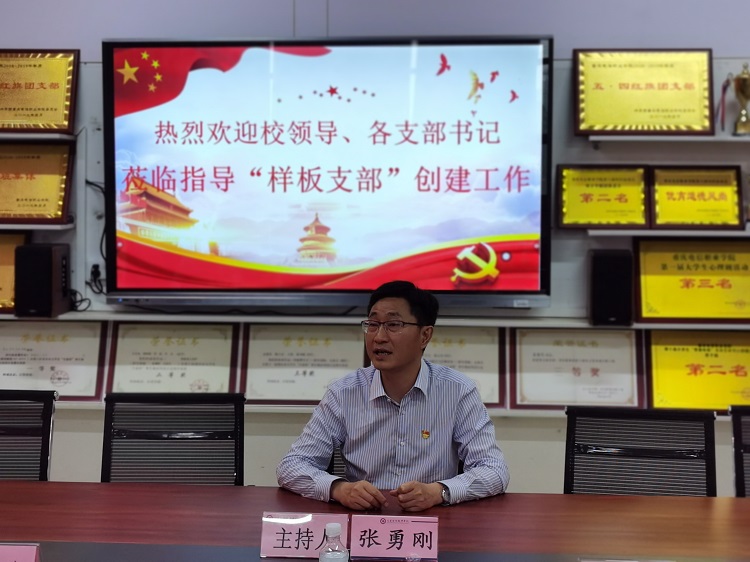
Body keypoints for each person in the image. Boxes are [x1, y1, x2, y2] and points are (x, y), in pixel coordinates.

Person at [276, 280, 509, 512]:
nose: (379, 337)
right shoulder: (344, 392)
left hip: (433, 522)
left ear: (425, 336)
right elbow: (292, 466)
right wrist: (339, 489)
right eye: (373, 324)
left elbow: (494, 470)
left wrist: (438, 492)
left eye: (393, 324)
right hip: (365, 522)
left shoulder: (458, 391)